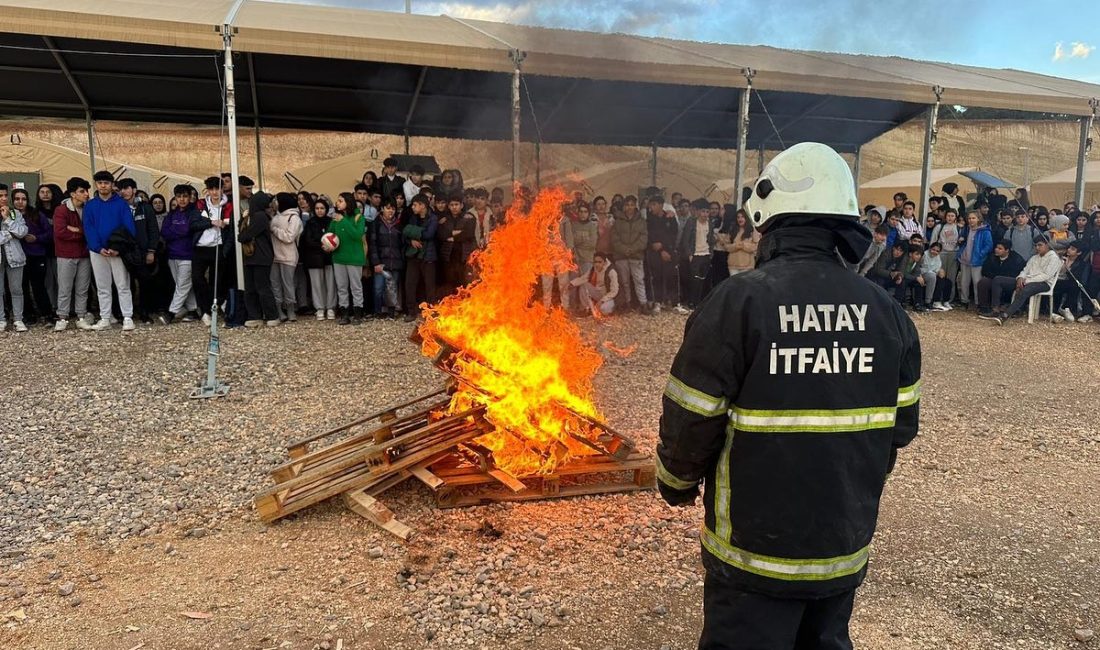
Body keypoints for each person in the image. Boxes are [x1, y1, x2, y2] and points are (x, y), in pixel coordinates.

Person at [657, 143, 920, 650]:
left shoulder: (739, 301)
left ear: (771, 223)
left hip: (752, 558)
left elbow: (692, 415)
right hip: (840, 549)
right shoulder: (887, 312)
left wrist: (675, 481)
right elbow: (901, 428)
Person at [83, 171, 137, 331]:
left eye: (106, 183)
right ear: (96, 185)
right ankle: (105, 317)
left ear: (112, 185)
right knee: (102, 286)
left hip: (117, 251)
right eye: (100, 183)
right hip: (98, 251)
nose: (103, 186)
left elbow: (129, 228)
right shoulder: (90, 205)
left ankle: (127, 317)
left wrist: (117, 248)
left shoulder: (121, 204)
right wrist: (98, 247)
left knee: (122, 284)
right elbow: (88, 228)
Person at [979, 236, 1062, 325]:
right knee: (998, 280)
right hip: (1026, 281)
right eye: (1036, 246)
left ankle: (1005, 315)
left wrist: (1026, 281)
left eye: (1040, 245)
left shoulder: (1053, 258)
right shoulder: (1034, 258)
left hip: (1043, 284)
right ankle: (995, 309)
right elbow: (1025, 270)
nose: (1037, 248)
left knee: (1025, 289)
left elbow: (1046, 275)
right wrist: (1020, 278)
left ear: (1047, 245)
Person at [158, 185, 206, 325]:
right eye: (179, 196)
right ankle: (194, 310)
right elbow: (165, 232)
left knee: (183, 285)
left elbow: (187, 230)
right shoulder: (172, 214)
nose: (182, 199)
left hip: (188, 255)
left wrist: (176, 231)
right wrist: (179, 232)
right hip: (172, 255)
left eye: (185, 196)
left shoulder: (195, 213)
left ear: (190, 197)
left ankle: (170, 313)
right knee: (183, 284)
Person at [52, 178, 95, 331]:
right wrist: (81, 233)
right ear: (72, 194)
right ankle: (62, 317)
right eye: (82, 191)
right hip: (66, 254)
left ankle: (81, 316)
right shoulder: (61, 210)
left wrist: (78, 230)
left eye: (86, 191)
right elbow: (60, 232)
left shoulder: (88, 209)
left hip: (84, 254)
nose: (86, 194)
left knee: (82, 288)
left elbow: (91, 230)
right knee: (65, 287)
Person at [117, 178, 160, 324]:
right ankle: (124, 313)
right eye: (121, 189)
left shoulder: (145, 208)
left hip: (142, 252)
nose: (124, 191)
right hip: (124, 252)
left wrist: (151, 250)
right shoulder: (118, 207)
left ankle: (144, 312)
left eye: (127, 188)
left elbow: (153, 230)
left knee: (144, 282)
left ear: (134, 190)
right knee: (124, 283)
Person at [193, 176, 233, 324]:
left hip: (218, 247)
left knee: (216, 281)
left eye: (218, 189)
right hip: (200, 247)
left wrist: (225, 250)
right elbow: (193, 224)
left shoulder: (228, 206)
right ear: (207, 191)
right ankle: (205, 309)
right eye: (212, 189)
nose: (215, 192)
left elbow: (230, 229)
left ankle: (210, 310)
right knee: (197, 279)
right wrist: (211, 223)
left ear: (222, 189)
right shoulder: (200, 204)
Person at [237, 192, 280, 327]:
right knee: (251, 288)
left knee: (262, 288)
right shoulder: (256, 216)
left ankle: (271, 315)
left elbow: (245, 235)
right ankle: (255, 315)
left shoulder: (260, 217)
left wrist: (243, 225)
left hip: (261, 256)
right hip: (253, 257)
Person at [326, 192, 367, 325]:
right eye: (337, 201)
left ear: (348, 203)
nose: (337, 203)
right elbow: (330, 234)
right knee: (341, 286)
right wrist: (326, 244)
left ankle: (358, 314)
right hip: (338, 257)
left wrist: (343, 221)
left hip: (354, 258)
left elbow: (357, 235)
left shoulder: (358, 217)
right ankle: (344, 313)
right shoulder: (335, 219)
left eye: (341, 201)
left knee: (356, 286)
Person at [16, 188, 53, 325]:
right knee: (22, 287)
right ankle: (28, 313)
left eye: (23, 199)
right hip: (18, 257)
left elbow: (49, 233)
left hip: (36, 254)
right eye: (17, 199)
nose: (20, 202)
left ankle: (47, 313)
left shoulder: (36, 214)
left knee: (39, 286)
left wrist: (37, 238)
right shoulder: (10, 216)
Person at [402, 194, 438, 321]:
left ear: (423, 206)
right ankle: (411, 312)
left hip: (428, 257)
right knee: (410, 284)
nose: (413, 207)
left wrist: (413, 232)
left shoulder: (433, 218)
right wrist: (411, 241)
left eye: (415, 205)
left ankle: (431, 312)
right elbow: (404, 233)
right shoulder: (413, 218)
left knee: (429, 286)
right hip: (413, 256)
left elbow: (429, 234)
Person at [270, 192, 304, 322]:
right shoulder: (275, 216)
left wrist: (275, 230)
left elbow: (290, 237)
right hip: (275, 256)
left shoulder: (294, 218)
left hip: (288, 256)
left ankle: (290, 310)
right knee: (275, 284)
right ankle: (279, 310)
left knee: (288, 284)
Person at [368, 198, 405, 318]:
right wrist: (376, 263)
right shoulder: (375, 224)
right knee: (378, 288)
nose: (391, 211)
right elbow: (372, 244)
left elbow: (402, 244)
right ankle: (377, 311)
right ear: (382, 209)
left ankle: (391, 312)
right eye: (388, 208)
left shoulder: (399, 224)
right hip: (381, 261)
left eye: (393, 208)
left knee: (392, 288)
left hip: (395, 261)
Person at [676, 198, 716, 310]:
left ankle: (698, 302)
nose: (705, 214)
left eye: (707, 212)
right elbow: (686, 239)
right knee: (694, 279)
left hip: (706, 254)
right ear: (698, 212)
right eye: (703, 211)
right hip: (695, 254)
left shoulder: (710, 224)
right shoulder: (692, 222)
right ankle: (691, 301)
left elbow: (711, 239)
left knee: (702, 279)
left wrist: (711, 252)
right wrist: (689, 254)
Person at [0, 183, 29, 332]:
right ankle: (1, 319)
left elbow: (22, 232)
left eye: (5, 195)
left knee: (16, 289)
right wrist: (9, 234)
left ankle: (18, 318)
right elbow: (14, 233)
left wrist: (7, 220)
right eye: (1, 196)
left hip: (15, 256)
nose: (4, 198)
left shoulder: (14, 213)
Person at [301, 198, 336, 320]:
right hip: (314, 258)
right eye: (317, 208)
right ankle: (319, 308)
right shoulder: (310, 223)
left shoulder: (332, 222)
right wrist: (322, 245)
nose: (319, 211)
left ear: (326, 209)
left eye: (322, 208)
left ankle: (331, 307)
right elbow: (307, 240)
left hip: (329, 257)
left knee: (331, 283)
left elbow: (335, 237)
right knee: (316, 284)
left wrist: (329, 246)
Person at [645, 195, 680, 313]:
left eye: (654, 204)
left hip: (669, 252)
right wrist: (660, 250)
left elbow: (673, 235)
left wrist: (665, 249)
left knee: (671, 277)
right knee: (657, 278)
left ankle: (674, 302)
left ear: (661, 205)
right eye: (651, 205)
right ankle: (658, 302)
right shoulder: (649, 219)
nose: (652, 207)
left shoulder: (670, 217)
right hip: (655, 253)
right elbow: (650, 237)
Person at [976, 241, 1026, 317]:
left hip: (1011, 281)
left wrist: (999, 278)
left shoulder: (1016, 259)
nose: (996, 250)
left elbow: (1018, 273)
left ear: (1007, 250)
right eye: (996, 247)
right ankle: (984, 307)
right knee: (983, 282)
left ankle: (995, 308)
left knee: (998, 280)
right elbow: (985, 271)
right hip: (994, 279)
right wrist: (995, 277)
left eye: (1000, 249)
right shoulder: (992, 257)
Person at [956, 211, 992, 309]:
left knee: (977, 282)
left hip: (977, 260)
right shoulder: (967, 229)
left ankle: (978, 302)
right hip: (965, 258)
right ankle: (964, 301)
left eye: (973, 218)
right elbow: (962, 240)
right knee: (964, 281)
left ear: (978, 219)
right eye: (969, 218)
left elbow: (988, 245)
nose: (971, 220)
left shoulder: (984, 231)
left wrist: (980, 254)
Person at [1053, 241, 1093, 322]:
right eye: (1069, 248)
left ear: (1079, 253)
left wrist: (1068, 267)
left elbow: (1076, 278)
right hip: (1057, 281)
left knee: (1074, 286)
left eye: (1072, 249)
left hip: (1070, 283)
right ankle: (1054, 311)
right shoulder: (1060, 258)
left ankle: (1066, 308)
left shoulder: (1081, 264)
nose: (1069, 250)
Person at [569, 251, 618, 316]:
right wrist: (572, 283)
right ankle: (586, 309)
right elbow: (584, 278)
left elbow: (614, 291)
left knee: (604, 310)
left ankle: (608, 309)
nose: (597, 264)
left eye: (600, 262)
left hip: (608, 296)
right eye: (595, 262)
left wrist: (602, 301)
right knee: (584, 285)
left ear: (605, 262)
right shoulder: (594, 268)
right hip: (598, 293)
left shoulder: (611, 271)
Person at [719, 209, 760, 277]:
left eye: (742, 217)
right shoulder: (733, 230)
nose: (740, 219)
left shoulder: (752, 230)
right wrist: (735, 246)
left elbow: (756, 246)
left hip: (747, 266)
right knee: (734, 286)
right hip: (733, 265)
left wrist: (743, 245)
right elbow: (726, 246)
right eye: (738, 217)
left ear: (746, 218)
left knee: (743, 286)